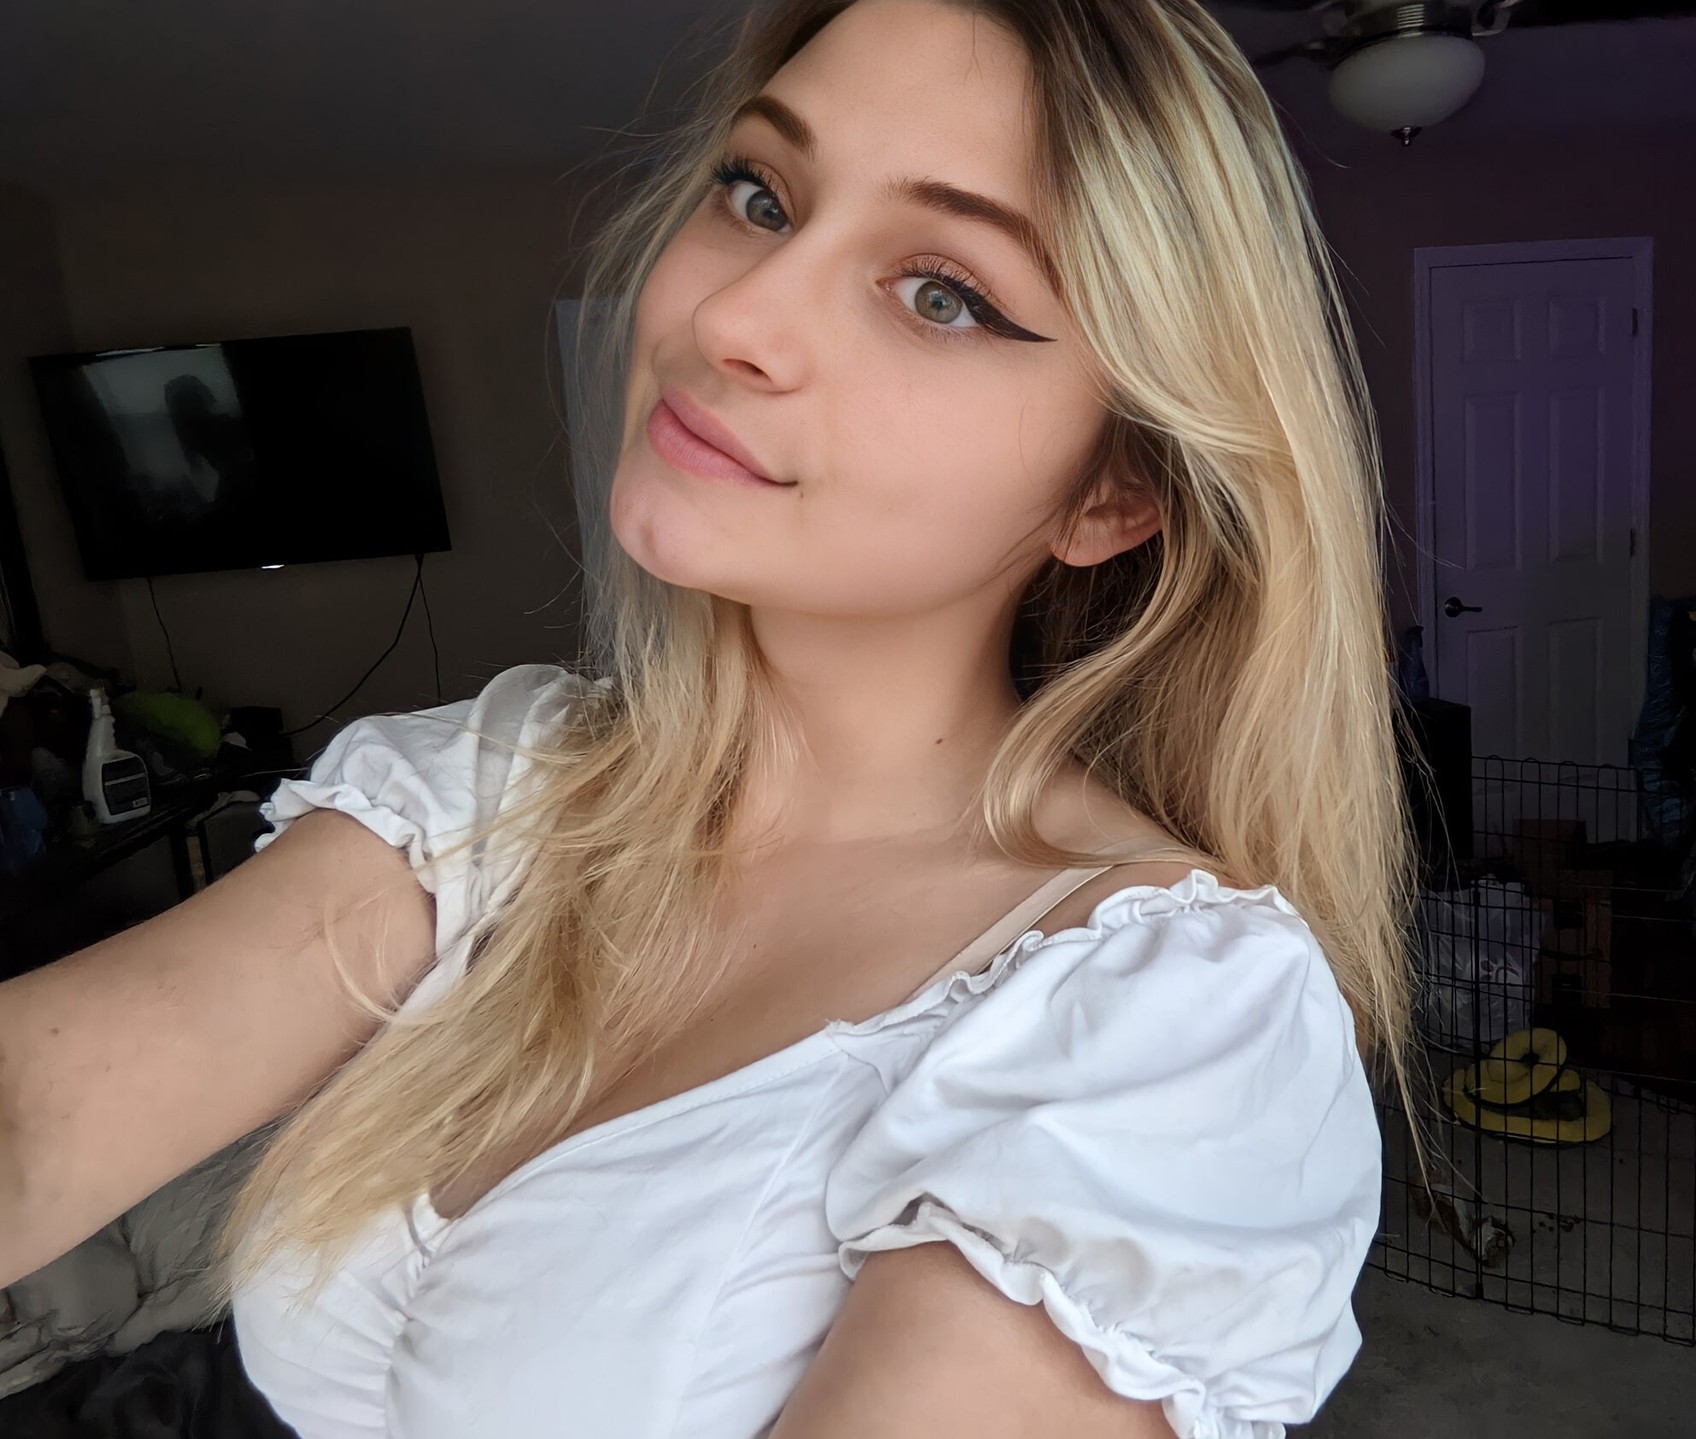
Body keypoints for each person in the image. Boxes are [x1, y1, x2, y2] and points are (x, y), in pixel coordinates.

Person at [0, 0, 1429, 1434]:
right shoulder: (493, 786)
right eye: (761, 196)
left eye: (943, 294)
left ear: (1111, 494)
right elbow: (32, 1115)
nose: (730, 317)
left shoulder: (1173, 1027)